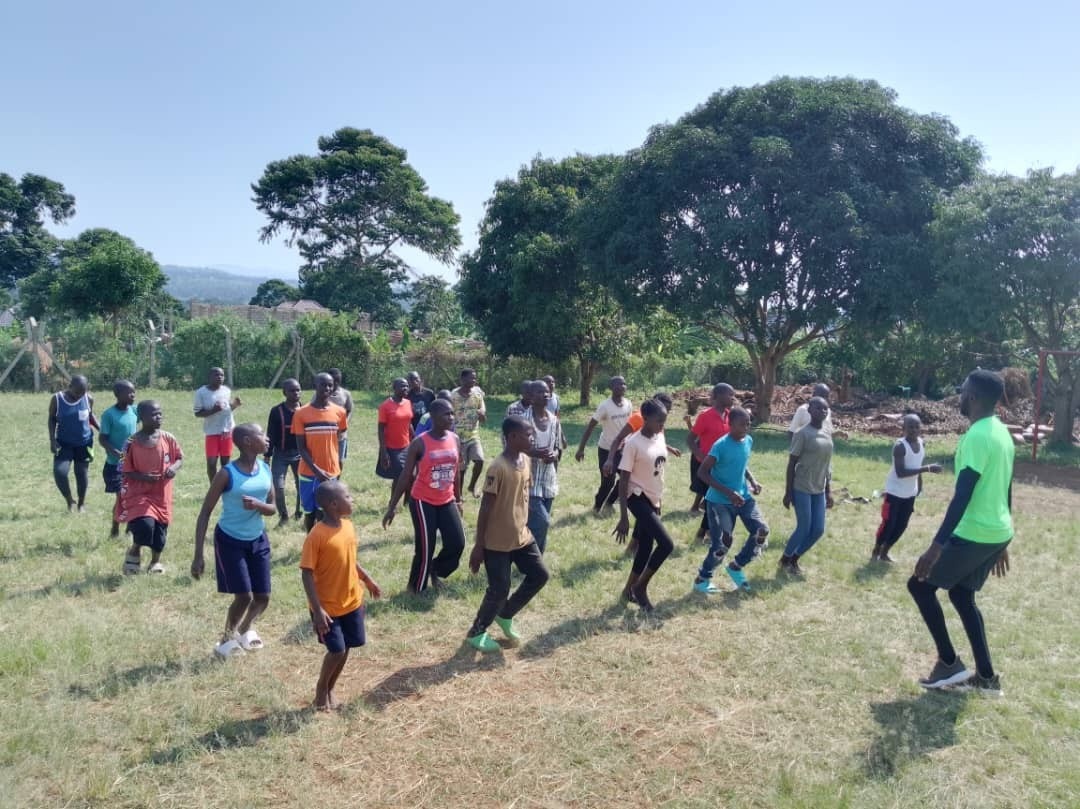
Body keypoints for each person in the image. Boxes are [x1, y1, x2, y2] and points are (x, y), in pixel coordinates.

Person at [908, 370, 1013, 695]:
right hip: (997, 531)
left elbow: (963, 495)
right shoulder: (1002, 432)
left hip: (976, 533)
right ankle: (986, 679)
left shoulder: (977, 436)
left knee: (920, 586)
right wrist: (1002, 541)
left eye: (963, 390)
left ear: (974, 397)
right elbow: (1006, 485)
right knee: (962, 594)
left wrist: (936, 547)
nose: (960, 394)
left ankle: (950, 664)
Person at [465, 416, 550, 652]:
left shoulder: (526, 460)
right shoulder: (497, 468)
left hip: (522, 537)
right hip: (496, 542)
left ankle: (506, 614)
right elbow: (486, 508)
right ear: (512, 437)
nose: (532, 438)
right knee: (499, 589)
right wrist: (479, 545)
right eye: (527, 434)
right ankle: (477, 631)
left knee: (540, 575)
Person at [192, 423, 277, 657]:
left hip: (258, 538)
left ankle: (245, 630)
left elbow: (273, 508)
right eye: (261, 434)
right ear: (247, 441)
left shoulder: (265, 469)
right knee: (244, 596)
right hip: (230, 540)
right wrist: (199, 554)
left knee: (263, 597)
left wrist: (259, 505)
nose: (266, 438)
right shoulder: (226, 474)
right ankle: (226, 640)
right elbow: (205, 513)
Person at [300, 480, 382, 711]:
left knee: (348, 646)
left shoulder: (348, 526)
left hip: (352, 601)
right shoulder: (317, 536)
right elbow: (306, 574)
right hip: (327, 608)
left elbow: (350, 559)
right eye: (348, 496)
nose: (352, 499)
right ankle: (320, 689)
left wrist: (367, 580)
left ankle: (331, 687)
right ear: (334, 504)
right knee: (335, 649)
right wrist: (317, 611)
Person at [383, 399, 466, 593]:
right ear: (434, 417)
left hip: (447, 500)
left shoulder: (455, 439)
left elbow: (456, 472)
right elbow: (405, 476)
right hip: (422, 501)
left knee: (457, 542)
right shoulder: (419, 443)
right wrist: (392, 506)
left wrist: (459, 498)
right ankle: (416, 588)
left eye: (452, 413)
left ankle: (435, 569)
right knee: (425, 547)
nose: (451, 417)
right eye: (447, 414)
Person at [692, 408, 768, 593]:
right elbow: (702, 472)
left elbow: (742, 463)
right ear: (730, 424)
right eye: (742, 424)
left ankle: (736, 566)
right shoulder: (721, 445)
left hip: (743, 498)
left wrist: (752, 481)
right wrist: (728, 492)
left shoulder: (748, 441)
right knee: (723, 544)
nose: (746, 427)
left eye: (748, 423)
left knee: (761, 531)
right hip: (719, 502)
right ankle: (702, 579)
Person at [613, 398, 673, 612]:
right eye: (659, 421)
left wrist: (658, 499)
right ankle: (640, 588)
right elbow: (624, 481)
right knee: (667, 545)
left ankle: (627, 590)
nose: (662, 425)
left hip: (652, 497)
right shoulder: (632, 443)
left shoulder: (658, 436)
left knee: (646, 547)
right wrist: (623, 517)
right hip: (636, 497)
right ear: (645, 419)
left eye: (665, 421)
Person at [119, 401, 183, 575]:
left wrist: (173, 468)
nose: (159, 417)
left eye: (160, 413)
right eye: (154, 414)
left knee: (160, 533)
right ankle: (135, 549)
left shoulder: (168, 438)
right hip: (139, 493)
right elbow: (124, 469)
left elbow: (179, 458)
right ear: (141, 417)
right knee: (145, 526)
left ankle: (155, 562)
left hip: (162, 493)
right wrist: (143, 477)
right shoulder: (131, 442)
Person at [873, 414, 943, 562]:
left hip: (909, 493)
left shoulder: (922, 444)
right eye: (910, 427)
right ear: (903, 429)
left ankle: (885, 552)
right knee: (889, 524)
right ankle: (876, 550)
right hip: (894, 492)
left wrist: (920, 486)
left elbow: (917, 466)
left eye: (917, 426)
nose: (914, 429)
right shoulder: (900, 446)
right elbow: (901, 472)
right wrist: (928, 468)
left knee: (902, 526)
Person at [779, 397, 834, 575]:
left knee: (818, 529)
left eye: (825, 409)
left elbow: (827, 464)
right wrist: (788, 493)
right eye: (818, 408)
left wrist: (828, 491)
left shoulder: (827, 431)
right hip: (801, 486)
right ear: (809, 410)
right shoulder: (802, 433)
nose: (823, 412)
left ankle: (794, 557)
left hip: (819, 488)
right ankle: (785, 559)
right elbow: (791, 463)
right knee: (804, 527)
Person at [293, 372, 348, 532]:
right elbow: (301, 448)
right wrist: (316, 470)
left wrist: (334, 463)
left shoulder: (340, 412)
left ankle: (323, 545)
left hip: (331, 472)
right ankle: (310, 541)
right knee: (309, 513)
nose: (327, 388)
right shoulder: (301, 413)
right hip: (308, 472)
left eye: (330, 385)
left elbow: (339, 437)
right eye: (323, 384)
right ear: (315, 385)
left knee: (325, 512)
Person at [574, 376, 632, 516]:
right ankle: (597, 506)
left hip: (623, 449)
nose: (623, 386)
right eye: (619, 384)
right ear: (611, 387)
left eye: (624, 383)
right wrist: (581, 448)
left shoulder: (628, 404)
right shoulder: (605, 406)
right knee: (608, 482)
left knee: (628, 478)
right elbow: (590, 427)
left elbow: (630, 426)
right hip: (606, 450)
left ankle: (610, 502)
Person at [688, 383, 736, 541]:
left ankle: (704, 533)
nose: (733, 397)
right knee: (715, 499)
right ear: (719, 396)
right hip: (707, 466)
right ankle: (706, 533)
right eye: (730, 394)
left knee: (714, 500)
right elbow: (691, 440)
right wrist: (702, 458)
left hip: (722, 466)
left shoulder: (730, 416)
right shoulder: (705, 415)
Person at [49, 374, 98, 512]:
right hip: (63, 443)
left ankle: (81, 504)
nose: (80, 395)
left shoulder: (88, 398)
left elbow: (90, 416)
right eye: (77, 392)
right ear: (69, 387)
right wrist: (52, 440)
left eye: (83, 392)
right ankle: (69, 500)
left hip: (85, 442)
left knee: (81, 473)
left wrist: (102, 430)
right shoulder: (57, 399)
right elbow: (51, 419)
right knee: (60, 472)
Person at [524, 380, 562, 554]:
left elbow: (557, 446)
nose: (545, 395)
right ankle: (530, 559)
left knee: (539, 525)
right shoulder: (522, 421)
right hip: (528, 480)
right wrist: (535, 453)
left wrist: (554, 454)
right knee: (542, 522)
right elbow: (512, 448)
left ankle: (536, 561)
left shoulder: (554, 420)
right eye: (540, 392)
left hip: (548, 480)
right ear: (531, 397)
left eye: (547, 392)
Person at [98, 379, 137, 535]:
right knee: (122, 497)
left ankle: (130, 527)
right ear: (118, 395)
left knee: (133, 496)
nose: (133, 395)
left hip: (133, 463)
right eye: (129, 392)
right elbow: (102, 438)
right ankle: (115, 527)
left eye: (134, 391)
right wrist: (115, 451)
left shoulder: (135, 411)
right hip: (115, 465)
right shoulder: (109, 415)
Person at [265, 378, 303, 528]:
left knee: (302, 485)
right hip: (281, 454)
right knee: (278, 485)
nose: (296, 393)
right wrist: (267, 455)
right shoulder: (276, 411)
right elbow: (271, 434)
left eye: (298, 390)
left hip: (301, 454)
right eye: (292, 390)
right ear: (284, 392)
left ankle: (300, 511)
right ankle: (284, 516)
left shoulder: (306, 410)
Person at [193, 367, 241, 484]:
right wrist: (214, 410)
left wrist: (235, 405)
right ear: (209, 377)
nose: (220, 377)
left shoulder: (226, 391)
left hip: (226, 431)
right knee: (211, 463)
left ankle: (225, 486)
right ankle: (213, 487)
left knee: (225, 463)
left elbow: (226, 410)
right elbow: (197, 413)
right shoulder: (201, 393)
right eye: (216, 375)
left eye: (222, 375)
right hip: (211, 432)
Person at [450, 368, 487, 498]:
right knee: (461, 469)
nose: (474, 380)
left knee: (480, 460)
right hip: (457, 437)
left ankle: (472, 486)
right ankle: (458, 495)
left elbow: (482, 408)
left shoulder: (477, 393)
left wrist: (482, 413)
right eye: (471, 378)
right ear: (462, 379)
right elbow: (448, 414)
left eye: (475, 378)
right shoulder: (453, 395)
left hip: (473, 435)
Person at [376, 378, 414, 486]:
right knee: (400, 474)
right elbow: (381, 429)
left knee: (410, 474)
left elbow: (408, 422)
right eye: (402, 386)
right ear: (394, 388)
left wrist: (415, 438)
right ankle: (393, 502)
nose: (406, 388)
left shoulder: (408, 403)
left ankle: (407, 500)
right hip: (392, 447)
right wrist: (383, 451)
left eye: (407, 386)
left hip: (406, 446)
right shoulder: (385, 406)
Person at [326, 368, 354, 467]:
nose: (335, 383)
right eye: (333, 381)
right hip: (325, 433)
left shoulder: (345, 394)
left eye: (337, 381)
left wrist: (345, 423)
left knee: (339, 461)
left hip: (341, 435)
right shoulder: (321, 393)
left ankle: (336, 481)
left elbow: (350, 410)